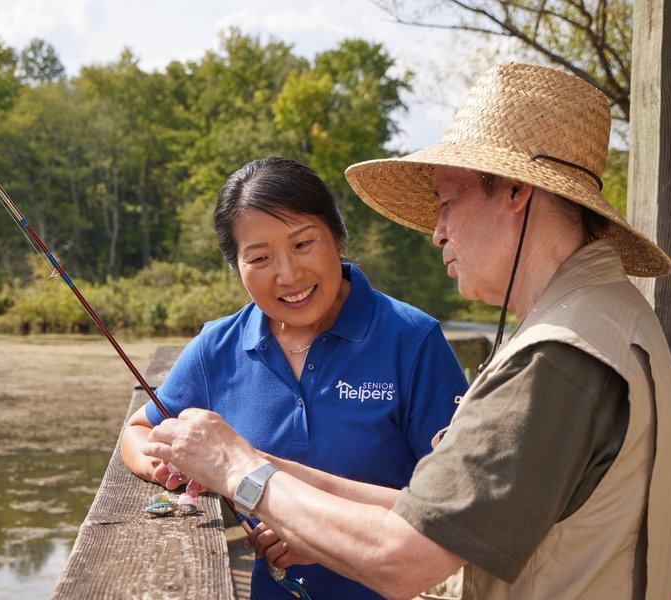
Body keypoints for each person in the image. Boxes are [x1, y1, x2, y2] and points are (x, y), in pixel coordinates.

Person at [141, 63, 671, 599]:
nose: (437, 232)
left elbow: (402, 557)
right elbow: (442, 513)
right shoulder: (611, 317)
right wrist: (266, 471)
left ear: (518, 191)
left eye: (448, 202)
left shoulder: (560, 357)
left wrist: (239, 470)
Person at [120, 156, 469, 598]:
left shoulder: (412, 339)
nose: (288, 275)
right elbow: (139, 429)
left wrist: (321, 536)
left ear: (337, 237)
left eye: (303, 245)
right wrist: (176, 467)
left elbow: (456, 504)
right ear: (237, 268)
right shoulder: (217, 346)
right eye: (260, 257)